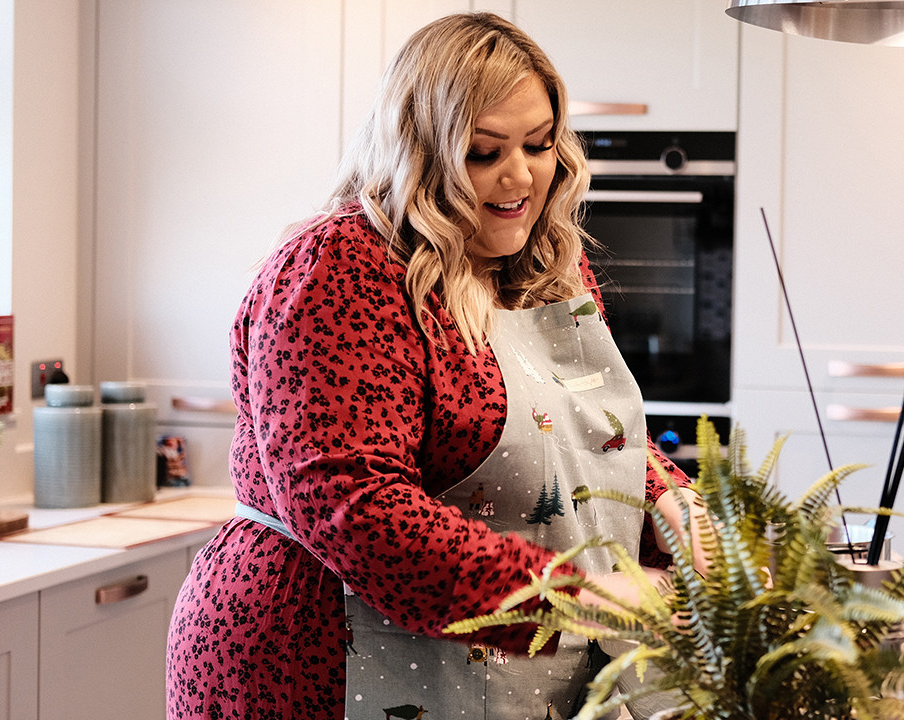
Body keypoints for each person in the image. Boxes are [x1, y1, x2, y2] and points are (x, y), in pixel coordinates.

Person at [166, 12, 705, 720]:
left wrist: (678, 507)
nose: (521, 176)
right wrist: (581, 597)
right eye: (485, 153)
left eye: (540, 144)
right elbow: (357, 509)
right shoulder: (341, 270)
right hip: (313, 661)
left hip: (493, 662)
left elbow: (582, 435)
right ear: (421, 152)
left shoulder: (548, 266)